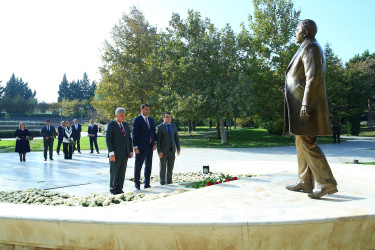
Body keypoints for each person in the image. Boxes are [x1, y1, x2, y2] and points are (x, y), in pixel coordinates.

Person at [282, 19, 337, 199]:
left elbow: (312, 77)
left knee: (307, 142)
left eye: (297, 30)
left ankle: (327, 183)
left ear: (304, 32)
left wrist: (306, 102)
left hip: (306, 104)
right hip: (298, 100)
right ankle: (305, 181)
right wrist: (289, 89)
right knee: (300, 141)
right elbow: (299, 77)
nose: (295, 33)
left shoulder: (311, 47)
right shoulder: (305, 47)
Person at [106, 107, 133, 195]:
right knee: (114, 172)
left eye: (124, 115)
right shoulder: (111, 125)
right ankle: (113, 189)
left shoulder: (125, 125)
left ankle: (119, 188)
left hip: (124, 153)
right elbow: (108, 139)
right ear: (116, 115)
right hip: (115, 154)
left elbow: (129, 138)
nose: (123, 117)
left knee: (122, 172)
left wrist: (131, 151)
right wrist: (111, 153)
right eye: (121, 115)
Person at [132, 104, 156, 190]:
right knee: (138, 165)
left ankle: (147, 183)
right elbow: (134, 134)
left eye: (149, 109)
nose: (148, 111)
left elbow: (153, 132)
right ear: (141, 110)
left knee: (148, 165)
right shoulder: (137, 120)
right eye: (146, 109)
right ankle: (137, 183)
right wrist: (135, 146)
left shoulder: (151, 120)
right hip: (140, 147)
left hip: (150, 146)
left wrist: (155, 142)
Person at [156, 112, 181, 185]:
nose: (169, 119)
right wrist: (159, 151)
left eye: (170, 117)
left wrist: (178, 148)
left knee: (170, 168)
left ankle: (169, 182)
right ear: (163, 118)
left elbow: (176, 138)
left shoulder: (174, 126)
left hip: (172, 150)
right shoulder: (160, 127)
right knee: (163, 168)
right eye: (167, 117)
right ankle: (162, 182)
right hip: (163, 151)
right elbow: (158, 141)